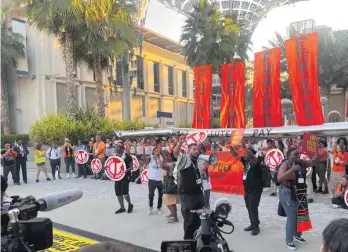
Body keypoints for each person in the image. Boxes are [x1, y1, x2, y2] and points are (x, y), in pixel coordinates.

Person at [277, 148, 319, 250]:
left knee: (300, 214)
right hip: (287, 193)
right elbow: (279, 179)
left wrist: (314, 152)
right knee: (292, 217)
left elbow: (313, 162)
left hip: (300, 193)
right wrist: (291, 170)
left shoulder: (302, 163)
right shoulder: (285, 164)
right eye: (294, 155)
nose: (297, 157)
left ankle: (297, 235)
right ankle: (289, 240)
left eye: (298, 155)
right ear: (288, 156)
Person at [173, 135, 205, 240]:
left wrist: (205, 172)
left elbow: (203, 177)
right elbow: (176, 153)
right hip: (187, 196)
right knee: (189, 221)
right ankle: (187, 241)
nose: (196, 151)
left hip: (199, 194)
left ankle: (196, 238)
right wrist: (180, 142)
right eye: (194, 149)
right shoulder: (185, 160)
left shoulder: (200, 161)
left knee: (199, 219)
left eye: (197, 149)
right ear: (189, 151)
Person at [230, 145, 262, 236]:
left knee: (253, 207)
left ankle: (256, 226)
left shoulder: (256, 162)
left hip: (255, 189)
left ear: (252, 154)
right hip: (247, 189)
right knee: (248, 207)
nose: (245, 155)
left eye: (247, 153)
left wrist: (244, 146)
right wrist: (231, 147)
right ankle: (252, 223)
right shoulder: (246, 162)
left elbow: (250, 155)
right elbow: (236, 155)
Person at [143, 146, 164, 215]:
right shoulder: (150, 157)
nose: (156, 151)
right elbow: (145, 162)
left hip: (160, 179)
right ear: (153, 151)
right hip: (152, 179)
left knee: (161, 195)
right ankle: (150, 206)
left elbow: (162, 166)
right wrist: (143, 151)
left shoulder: (161, 157)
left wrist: (158, 157)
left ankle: (159, 208)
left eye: (157, 150)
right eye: (155, 150)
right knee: (151, 194)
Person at [114, 140, 134, 214]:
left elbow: (132, 167)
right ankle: (122, 207)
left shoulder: (127, 156)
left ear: (122, 148)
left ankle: (130, 204)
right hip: (117, 177)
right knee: (118, 193)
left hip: (126, 176)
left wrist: (126, 170)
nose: (116, 148)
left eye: (118, 147)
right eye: (116, 147)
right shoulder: (114, 156)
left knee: (124, 192)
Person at [296, 136, 315, 203]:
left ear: (302, 140)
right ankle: (302, 194)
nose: (297, 140)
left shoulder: (307, 146)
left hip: (307, 166)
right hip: (300, 166)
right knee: (301, 181)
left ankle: (310, 196)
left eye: (298, 139)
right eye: (297, 139)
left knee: (307, 181)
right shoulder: (298, 147)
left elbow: (312, 155)